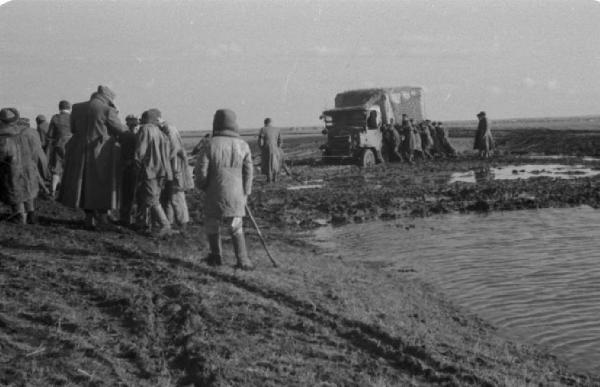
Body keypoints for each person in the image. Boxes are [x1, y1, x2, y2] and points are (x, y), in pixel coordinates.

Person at [59, 86, 127, 229]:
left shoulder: (77, 108)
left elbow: (73, 129)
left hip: (78, 151)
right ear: (108, 99)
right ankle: (102, 219)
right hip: (101, 153)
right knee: (102, 186)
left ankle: (89, 219)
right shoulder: (107, 110)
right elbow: (120, 130)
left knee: (83, 186)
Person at [195, 109, 254, 270]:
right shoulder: (243, 145)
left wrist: (202, 185)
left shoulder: (209, 144)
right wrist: (246, 192)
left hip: (215, 190)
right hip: (237, 193)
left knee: (212, 223)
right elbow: (249, 172)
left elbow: (201, 171)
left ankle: (216, 256)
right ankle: (243, 260)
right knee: (236, 226)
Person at [0, 108, 48, 224]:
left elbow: (3, 155)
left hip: (12, 170)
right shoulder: (24, 133)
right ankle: (31, 215)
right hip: (28, 168)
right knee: (28, 191)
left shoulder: (3, 138)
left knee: (15, 192)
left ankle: (20, 216)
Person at [133, 109, 175, 236]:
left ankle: (165, 225)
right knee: (151, 197)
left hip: (150, 170)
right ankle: (144, 223)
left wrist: (136, 163)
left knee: (152, 199)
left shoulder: (145, 129)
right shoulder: (161, 132)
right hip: (162, 171)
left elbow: (140, 151)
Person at [159, 119, 193, 229]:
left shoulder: (169, 130)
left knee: (175, 196)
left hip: (175, 168)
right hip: (173, 168)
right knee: (169, 197)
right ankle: (171, 222)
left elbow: (173, 149)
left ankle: (182, 223)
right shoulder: (169, 129)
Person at [117, 115, 139, 226]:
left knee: (125, 194)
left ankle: (125, 217)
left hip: (125, 166)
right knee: (133, 195)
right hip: (134, 167)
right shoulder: (138, 136)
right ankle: (131, 218)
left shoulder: (123, 135)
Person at [47, 100, 72, 197]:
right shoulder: (73, 117)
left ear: (59, 108)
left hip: (59, 144)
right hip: (71, 145)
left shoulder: (55, 118)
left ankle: (52, 190)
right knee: (70, 168)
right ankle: (69, 191)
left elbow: (49, 134)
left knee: (56, 168)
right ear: (69, 108)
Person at [257, 117, 283, 183]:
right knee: (275, 164)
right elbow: (280, 141)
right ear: (271, 122)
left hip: (266, 149)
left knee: (267, 164)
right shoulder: (277, 129)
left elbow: (260, 142)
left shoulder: (263, 129)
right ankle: (275, 178)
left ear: (265, 123)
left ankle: (269, 179)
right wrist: (278, 148)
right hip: (275, 149)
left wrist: (262, 148)